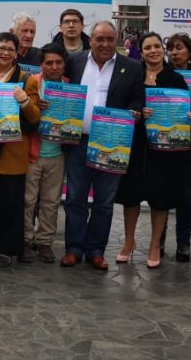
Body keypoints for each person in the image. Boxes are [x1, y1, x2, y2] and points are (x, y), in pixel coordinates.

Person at [61, 21, 145, 271]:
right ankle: (74, 249)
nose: (105, 44)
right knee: (75, 197)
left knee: (104, 201)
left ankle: (96, 250)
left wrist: (134, 112)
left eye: (110, 39)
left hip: (111, 143)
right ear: (91, 40)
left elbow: (138, 100)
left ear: (117, 40)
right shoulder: (75, 61)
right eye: (100, 39)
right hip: (79, 142)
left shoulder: (131, 67)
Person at [114, 32, 189, 269]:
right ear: (141, 51)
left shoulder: (175, 78)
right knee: (131, 196)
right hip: (135, 144)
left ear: (163, 50)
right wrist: (136, 112)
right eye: (148, 47)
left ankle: (155, 244)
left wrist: (188, 117)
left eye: (158, 46)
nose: (153, 51)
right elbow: (122, 104)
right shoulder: (133, 75)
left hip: (164, 150)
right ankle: (129, 241)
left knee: (160, 198)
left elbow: (186, 109)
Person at [0, 32, 40, 266]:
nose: (4, 52)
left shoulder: (25, 79)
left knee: (10, 200)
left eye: (10, 49)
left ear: (16, 52)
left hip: (12, 147)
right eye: (1, 47)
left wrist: (24, 100)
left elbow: (35, 118)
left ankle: (8, 247)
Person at [161, 33, 191, 262]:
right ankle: (158, 240)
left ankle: (183, 242)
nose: (173, 52)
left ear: (190, 51)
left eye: (178, 48)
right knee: (161, 192)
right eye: (170, 48)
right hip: (162, 143)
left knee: (186, 194)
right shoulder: (160, 74)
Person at [23, 43, 70, 264]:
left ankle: (45, 242)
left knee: (51, 202)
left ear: (64, 64)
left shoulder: (71, 87)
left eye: (58, 62)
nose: (54, 67)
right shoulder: (32, 83)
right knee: (28, 200)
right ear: (41, 65)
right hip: (33, 151)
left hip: (57, 153)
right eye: (49, 63)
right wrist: (34, 107)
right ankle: (25, 239)